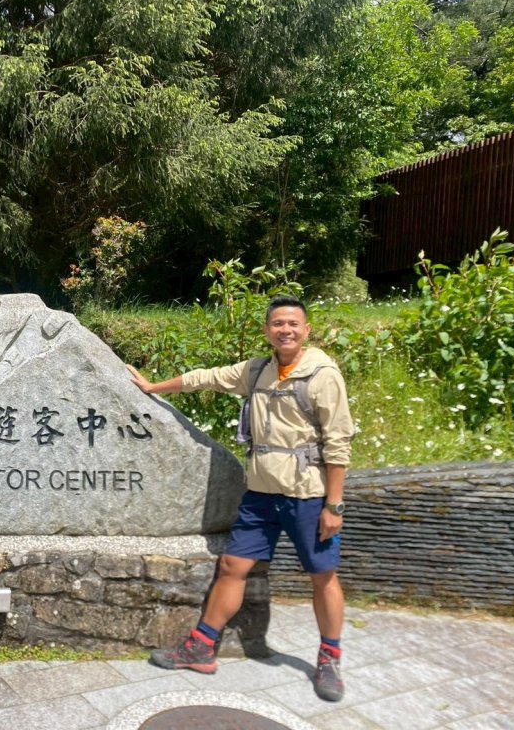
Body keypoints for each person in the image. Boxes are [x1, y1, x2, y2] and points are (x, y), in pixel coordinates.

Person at [125, 295, 354, 702]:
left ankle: (330, 657)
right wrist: (152, 387)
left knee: (322, 575)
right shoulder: (258, 370)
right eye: (277, 324)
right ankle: (201, 646)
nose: (285, 330)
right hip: (261, 493)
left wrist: (334, 506)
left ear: (306, 330)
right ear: (267, 331)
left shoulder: (322, 375)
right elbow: (205, 377)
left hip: (307, 495)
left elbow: (338, 443)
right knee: (232, 565)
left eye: (293, 324)